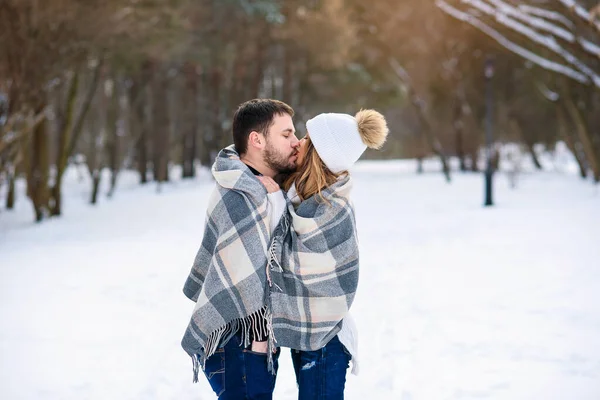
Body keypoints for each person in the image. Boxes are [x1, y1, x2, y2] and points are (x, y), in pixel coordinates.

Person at [257, 109, 389, 399]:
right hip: (309, 334)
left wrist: (274, 204)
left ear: (317, 154)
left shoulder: (334, 209)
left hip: (327, 341)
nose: (297, 143)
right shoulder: (301, 198)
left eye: (305, 139)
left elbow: (296, 262)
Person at [181, 98, 300, 399]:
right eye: (286, 134)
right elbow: (247, 271)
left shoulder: (260, 185)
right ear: (257, 140)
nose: (296, 142)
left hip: (254, 341)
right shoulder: (243, 194)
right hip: (240, 338)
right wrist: (258, 333)